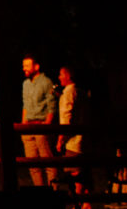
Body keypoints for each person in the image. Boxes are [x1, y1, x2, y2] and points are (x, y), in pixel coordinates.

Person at [19, 55, 59, 186]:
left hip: (41, 125)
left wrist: (47, 126)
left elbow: (51, 106)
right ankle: (40, 192)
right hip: (28, 127)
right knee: (33, 164)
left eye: (27, 65)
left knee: (48, 161)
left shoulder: (46, 82)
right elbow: (25, 105)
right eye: (23, 65)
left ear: (36, 67)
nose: (24, 68)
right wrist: (22, 126)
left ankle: (53, 190)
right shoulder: (25, 84)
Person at [56, 64, 83, 193]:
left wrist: (61, 139)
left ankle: (80, 202)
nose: (59, 77)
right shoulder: (77, 91)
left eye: (61, 74)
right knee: (80, 170)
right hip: (79, 138)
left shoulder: (68, 93)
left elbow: (66, 117)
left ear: (67, 76)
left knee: (75, 171)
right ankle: (85, 203)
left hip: (72, 140)